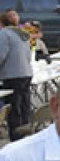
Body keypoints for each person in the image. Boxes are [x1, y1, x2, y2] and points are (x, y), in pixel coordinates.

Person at [0, 9, 34, 140]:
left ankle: (16, 137)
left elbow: (1, 55)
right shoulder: (23, 34)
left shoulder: (4, 34)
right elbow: (28, 55)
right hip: (26, 72)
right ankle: (26, 133)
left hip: (12, 74)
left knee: (14, 108)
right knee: (25, 105)